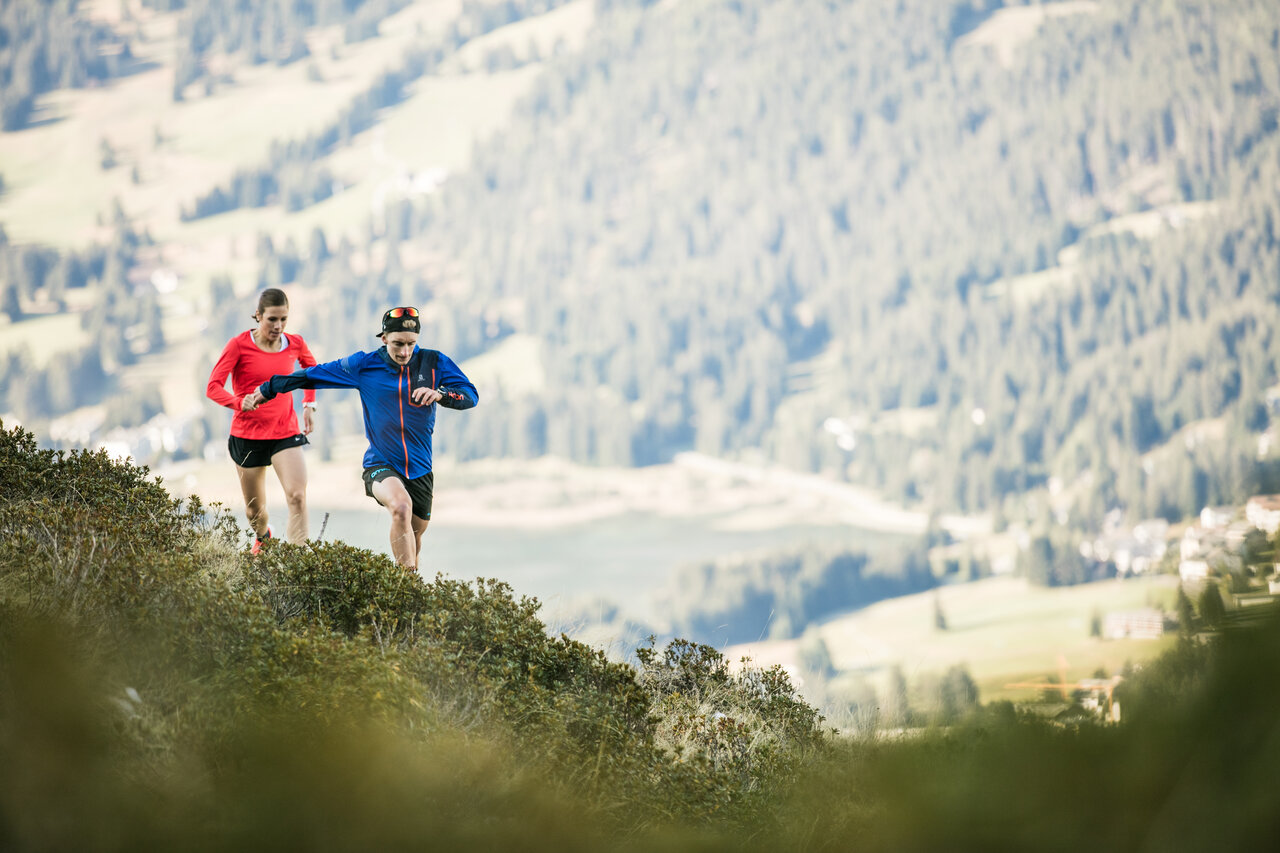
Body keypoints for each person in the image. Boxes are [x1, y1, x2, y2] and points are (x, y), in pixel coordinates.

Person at [245, 306, 477, 572]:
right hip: (381, 463)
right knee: (400, 507)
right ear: (384, 338)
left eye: (411, 344)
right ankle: (408, 592)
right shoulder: (364, 365)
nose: (404, 352)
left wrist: (441, 395)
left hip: (421, 469)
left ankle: (409, 590)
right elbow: (313, 374)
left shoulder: (434, 362)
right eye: (397, 344)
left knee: (415, 537)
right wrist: (269, 388)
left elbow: (470, 395)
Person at [206, 288, 318, 552]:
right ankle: (263, 537)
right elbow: (213, 387)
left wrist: (309, 404)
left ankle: (298, 561)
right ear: (258, 316)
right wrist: (238, 402)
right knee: (255, 511)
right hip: (248, 436)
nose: (278, 326)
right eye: (272, 320)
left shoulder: (295, 344)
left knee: (297, 496)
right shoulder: (238, 345)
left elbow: (313, 372)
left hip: (284, 432)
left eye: (283, 319)